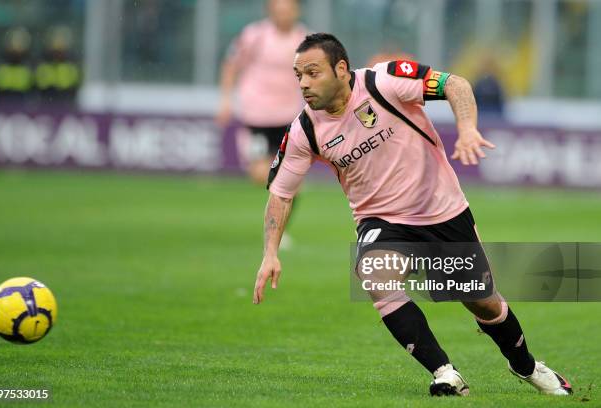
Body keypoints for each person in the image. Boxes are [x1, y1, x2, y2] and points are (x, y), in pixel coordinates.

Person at [252, 33, 572, 397]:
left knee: (482, 299)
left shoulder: (383, 81)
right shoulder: (304, 129)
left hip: (443, 210)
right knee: (375, 275)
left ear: (341, 68)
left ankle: (526, 366)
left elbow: (456, 84)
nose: (304, 84)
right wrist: (270, 252)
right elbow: (281, 193)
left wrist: (467, 129)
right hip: (381, 220)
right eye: (298, 76)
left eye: (312, 73)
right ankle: (444, 372)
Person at [216, 0, 307, 185]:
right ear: (270, 11)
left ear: (297, 11)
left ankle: (282, 203)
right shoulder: (254, 35)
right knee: (259, 173)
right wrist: (225, 101)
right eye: (279, 10)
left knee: (289, 175)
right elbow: (231, 65)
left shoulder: (305, 39)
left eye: (288, 10)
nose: (284, 15)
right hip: (256, 116)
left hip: (288, 116)